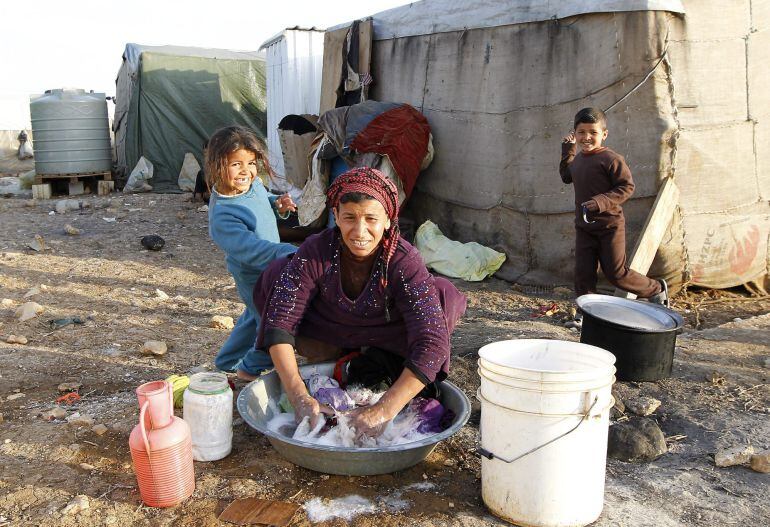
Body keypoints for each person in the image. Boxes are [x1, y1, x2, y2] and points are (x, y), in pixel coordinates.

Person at [249, 167, 467, 441]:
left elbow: (432, 341)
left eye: (371, 218)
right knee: (277, 275)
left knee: (442, 294)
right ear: (336, 216)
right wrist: (299, 397)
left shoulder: (403, 260)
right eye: (350, 217)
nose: (360, 230)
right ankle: (332, 355)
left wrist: (383, 410)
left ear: (388, 220)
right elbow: (280, 320)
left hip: (388, 331)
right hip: (330, 328)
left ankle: (387, 361)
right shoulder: (316, 251)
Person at [560, 108, 668, 326]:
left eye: (593, 132)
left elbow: (627, 186)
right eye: (581, 132)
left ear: (604, 134)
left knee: (616, 274)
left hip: (609, 226)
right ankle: (585, 313)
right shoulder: (579, 160)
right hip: (584, 227)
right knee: (583, 273)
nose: (586, 137)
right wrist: (567, 150)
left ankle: (656, 289)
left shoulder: (611, 159)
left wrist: (601, 201)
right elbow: (566, 176)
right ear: (575, 133)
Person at [206, 125, 298, 376]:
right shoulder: (223, 216)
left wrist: (278, 205)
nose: (246, 171)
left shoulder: (252, 185)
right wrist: (288, 252)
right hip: (253, 275)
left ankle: (229, 360)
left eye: (251, 162)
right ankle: (250, 368)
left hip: (271, 265)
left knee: (253, 315)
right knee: (270, 322)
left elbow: (264, 198)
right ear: (217, 166)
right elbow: (252, 250)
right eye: (236, 164)